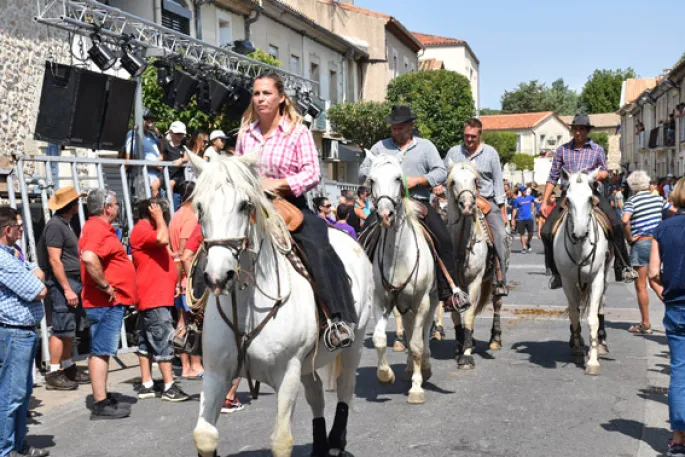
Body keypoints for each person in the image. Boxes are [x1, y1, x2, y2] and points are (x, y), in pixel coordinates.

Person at [235, 73, 357, 348]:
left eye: (266, 93)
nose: (261, 99)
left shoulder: (296, 131)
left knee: (317, 245)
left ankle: (336, 317)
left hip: (290, 204)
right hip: (253, 206)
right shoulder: (245, 133)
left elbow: (312, 173)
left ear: (280, 98)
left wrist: (279, 184)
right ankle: (199, 321)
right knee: (219, 245)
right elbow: (238, 168)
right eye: (256, 94)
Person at [360, 105, 469, 311]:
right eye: (393, 128)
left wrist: (418, 180)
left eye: (400, 128)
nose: (396, 131)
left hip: (418, 202)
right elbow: (363, 171)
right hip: (386, 203)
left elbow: (440, 171)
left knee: (444, 240)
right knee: (363, 236)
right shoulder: (378, 148)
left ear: (410, 126)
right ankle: (362, 289)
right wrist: (375, 174)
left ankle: (448, 292)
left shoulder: (425, 147)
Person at [540, 114, 636, 289]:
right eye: (576, 129)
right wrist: (544, 201)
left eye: (582, 129)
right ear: (572, 130)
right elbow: (553, 177)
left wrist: (602, 174)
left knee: (616, 224)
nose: (578, 132)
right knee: (546, 230)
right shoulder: (562, 150)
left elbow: (606, 172)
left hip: (591, 193)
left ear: (587, 130)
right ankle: (555, 272)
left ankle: (623, 266)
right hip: (568, 195)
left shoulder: (597, 149)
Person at [79, 189, 135, 420]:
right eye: (115, 204)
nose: (118, 208)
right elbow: (89, 257)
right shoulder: (96, 229)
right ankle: (100, 403)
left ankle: (102, 396)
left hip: (106, 302)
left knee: (102, 351)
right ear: (106, 207)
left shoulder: (98, 229)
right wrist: (105, 286)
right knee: (101, 351)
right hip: (104, 301)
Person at [0, 207, 50, 457]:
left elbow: (38, 271)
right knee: (11, 395)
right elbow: (38, 290)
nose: (22, 230)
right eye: (18, 227)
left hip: (23, 332)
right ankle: (5, 449)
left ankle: (17, 445)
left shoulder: (14, 254)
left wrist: (34, 275)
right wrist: (34, 276)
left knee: (22, 394)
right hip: (14, 333)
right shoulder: (3, 259)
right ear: (7, 230)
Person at [181, 223, 245, 413]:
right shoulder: (226, 225)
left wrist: (199, 286)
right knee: (241, 344)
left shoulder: (203, 226)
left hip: (210, 293)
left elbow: (186, 256)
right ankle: (228, 396)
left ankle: (218, 395)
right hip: (229, 291)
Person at [130, 198, 189, 402]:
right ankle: (169, 385)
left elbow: (162, 251)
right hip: (153, 296)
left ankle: (147, 384)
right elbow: (163, 240)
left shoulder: (147, 232)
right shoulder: (143, 229)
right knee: (163, 338)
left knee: (146, 340)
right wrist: (160, 218)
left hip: (156, 294)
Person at [444, 117, 510, 297]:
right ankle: (442, 279)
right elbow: (445, 179)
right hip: (457, 202)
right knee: (438, 233)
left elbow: (498, 182)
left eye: (473, 136)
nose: (469, 139)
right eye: (466, 136)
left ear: (480, 135)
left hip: (486, 202)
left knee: (500, 235)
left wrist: (503, 211)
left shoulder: (491, 153)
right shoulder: (453, 153)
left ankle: (500, 277)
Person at [36, 187, 88, 391]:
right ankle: (54, 371)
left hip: (71, 282)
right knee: (60, 328)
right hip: (63, 284)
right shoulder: (56, 227)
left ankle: (67, 367)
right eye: (76, 202)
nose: (78, 205)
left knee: (68, 328)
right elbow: (54, 260)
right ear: (70, 205)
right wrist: (66, 289)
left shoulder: (64, 225)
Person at [648, 178, 685, 457]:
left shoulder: (662, 228)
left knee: (679, 372)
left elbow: (651, 274)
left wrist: (666, 296)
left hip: (676, 307)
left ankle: (678, 440)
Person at [622, 171, 675, 335]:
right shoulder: (657, 198)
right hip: (659, 242)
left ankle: (645, 323)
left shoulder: (631, 201)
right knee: (656, 280)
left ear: (632, 186)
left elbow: (625, 220)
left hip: (642, 242)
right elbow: (673, 210)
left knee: (641, 285)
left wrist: (629, 238)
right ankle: (676, 311)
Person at [168, 181, 204, 379]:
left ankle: (186, 366)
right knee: (194, 323)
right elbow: (185, 251)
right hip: (186, 278)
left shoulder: (176, 215)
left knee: (182, 322)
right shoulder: (190, 217)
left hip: (179, 276)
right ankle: (194, 365)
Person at [125, 109, 163, 198]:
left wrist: (156, 131)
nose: (148, 122)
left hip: (158, 179)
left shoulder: (152, 135)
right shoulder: (133, 134)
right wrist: (153, 164)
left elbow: (164, 147)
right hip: (144, 180)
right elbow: (130, 158)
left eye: (150, 119)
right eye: (145, 118)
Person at [163, 121, 189, 208]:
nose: (180, 136)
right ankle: (156, 205)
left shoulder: (184, 145)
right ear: (171, 133)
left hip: (178, 175)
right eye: (178, 133)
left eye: (182, 134)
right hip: (167, 173)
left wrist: (181, 160)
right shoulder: (166, 144)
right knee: (154, 185)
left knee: (170, 184)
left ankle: (168, 207)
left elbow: (187, 157)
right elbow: (162, 156)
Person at [512, 185, 535, 253]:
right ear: (521, 191)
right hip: (521, 219)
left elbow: (535, 200)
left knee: (531, 233)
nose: (525, 191)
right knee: (522, 234)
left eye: (525, 190)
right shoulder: (517, 199)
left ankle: (528, 243)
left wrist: (535, 207)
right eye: (523, 190)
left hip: (529, 218)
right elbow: (515, 209)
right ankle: (524, 247)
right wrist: (513, 219)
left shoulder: (530, 197)